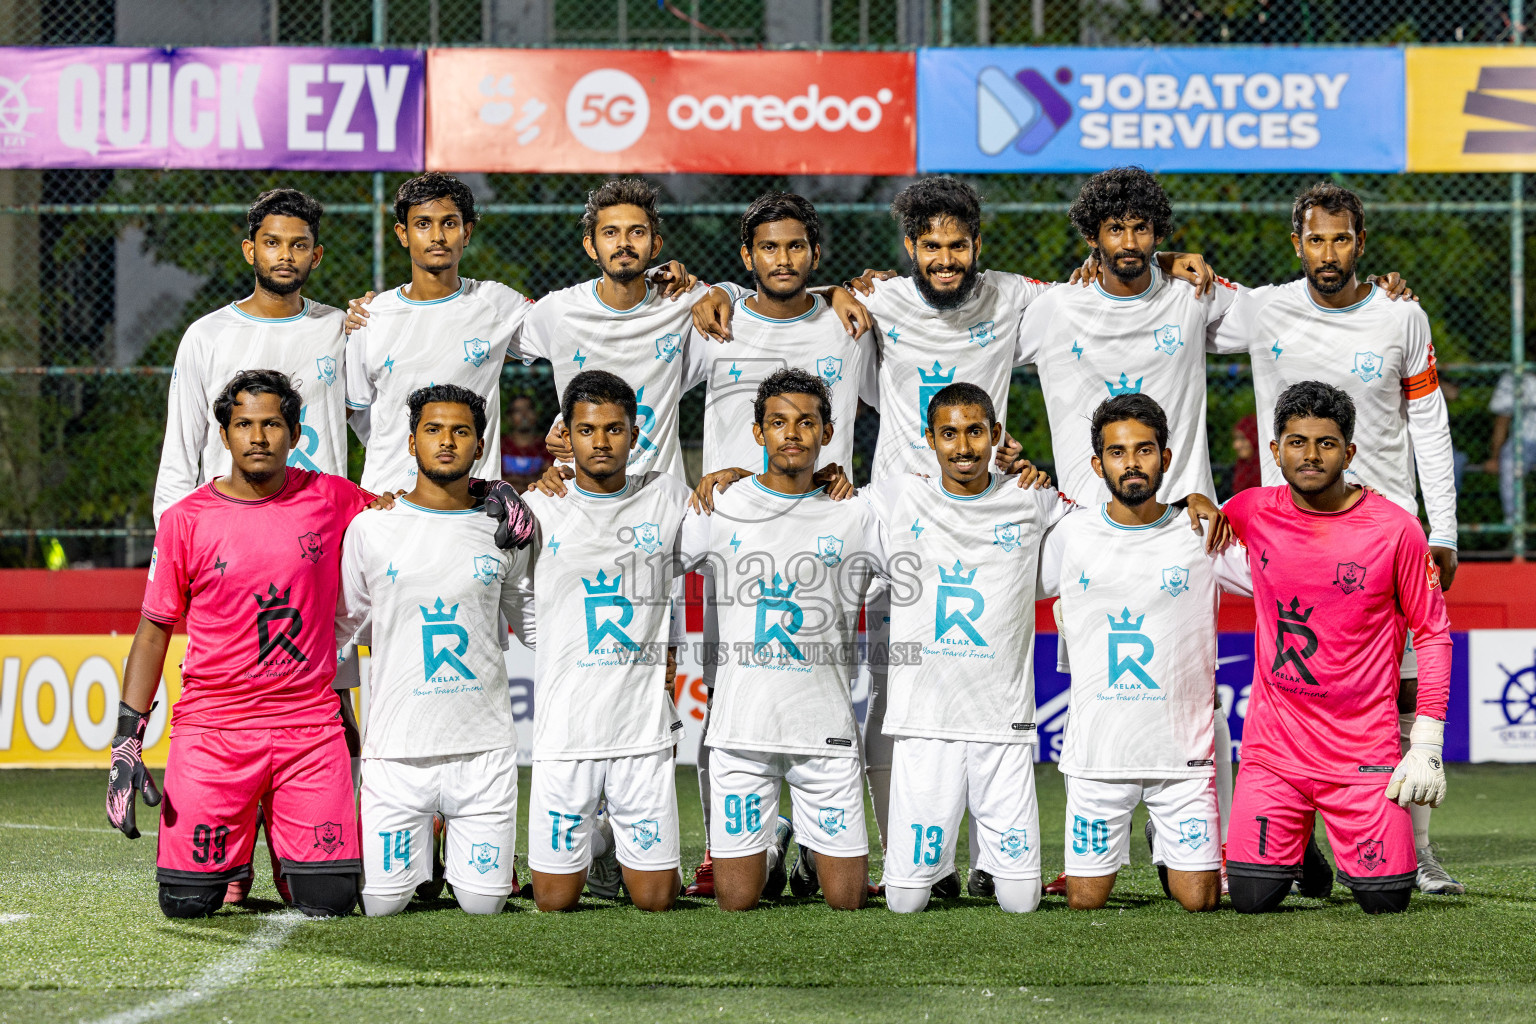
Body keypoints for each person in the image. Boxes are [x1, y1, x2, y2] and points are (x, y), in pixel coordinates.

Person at [691, 176, 1213, 898]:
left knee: (981, 676)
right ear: (909, 249)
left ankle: (999, 856)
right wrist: (718, 286)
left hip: (989, 515)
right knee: (876, 682)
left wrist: (1171, 261)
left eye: (957, 245)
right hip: (889, 520)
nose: (944, 258)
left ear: (976, 246)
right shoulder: (874, 301)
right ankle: (889, 856)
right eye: (930, 246)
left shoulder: (1017, 296)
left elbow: (1099, 292)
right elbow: (793, 293)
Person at [1212, 182, 1461, 894]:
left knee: (1401, 687)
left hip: (1387, 533)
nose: (1329, 253)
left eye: (1342, 239)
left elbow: (1430, 426)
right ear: (1297, 243)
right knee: (1296, 676)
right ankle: (1283, 828)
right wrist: (1178, 264)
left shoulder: (1401, 316)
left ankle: (1418, 847)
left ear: (1361, 241)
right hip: (1290, 538)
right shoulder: (1261, 309)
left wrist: (1441, 527)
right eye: (1315, 239)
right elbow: (1164, 314)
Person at [109, 370, 374, 919]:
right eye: (244, 424)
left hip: (308, 728)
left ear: (295, 433)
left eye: (272, 423)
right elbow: (154, 629)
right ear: (224, 435)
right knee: (187, 903)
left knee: (331, 900)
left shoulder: (332, 498)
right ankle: (239, 821)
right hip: (214, 733)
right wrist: (125, 740)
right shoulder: (185, 521)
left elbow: (408, 513)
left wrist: (484, 490)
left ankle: (271, 824)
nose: (258, 436)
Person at [1222, 381, 1451, 915]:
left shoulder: (1397, 529)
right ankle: (1299, 846)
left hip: (1361, 752)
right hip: (1274, 750)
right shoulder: (1250, 510)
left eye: (1326, 443)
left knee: (1387, 900)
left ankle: (1323, 838)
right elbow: (1174, 542)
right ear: (1275, 450)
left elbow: (1434, 633)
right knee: (1253, 899)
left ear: (1349, 452)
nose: (1310, 454)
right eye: (1296, 442)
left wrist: (1427, 742)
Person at [858, 382, 1068, 914]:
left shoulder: (1033, 497)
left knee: (1022, 901)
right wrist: (735, 476)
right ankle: (940, 865)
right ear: (930, 439)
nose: (963, 447)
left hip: (1002, 721)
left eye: (975, 432)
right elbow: (813, 493)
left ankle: (981, 866)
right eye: (949, 434)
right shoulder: (896, 495)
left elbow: (1104, 524)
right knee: (905, 901)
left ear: (996, 435)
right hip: (926, 720)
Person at [679, 368, 881, 911]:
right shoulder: (720, 505)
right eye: (778, 422)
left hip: (826, 731)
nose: (792, 433)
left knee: (847, 901)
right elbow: (651, 562)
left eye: (806, 422)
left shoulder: (858, 513)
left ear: (828, 432)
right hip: (743, 730)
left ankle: (815, 857)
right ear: (757, 432)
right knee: (737, 900)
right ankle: (773, 845)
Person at [1037, 394, 1247, 912]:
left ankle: (1167, 842)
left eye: (1145, 450)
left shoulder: (1201, 533)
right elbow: (1007, 572)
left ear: (1166, 458)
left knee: (1199, 902)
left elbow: (1272, 570)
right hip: (1097, 756)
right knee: (1085, 902)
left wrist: (1218, 505)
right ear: (1097, 464)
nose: (1131, 463)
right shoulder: (1071, 533)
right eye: (1117, 452)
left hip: (1181, 757)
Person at [335, 384, 534, 917]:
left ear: (480, 444)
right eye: (433, 430)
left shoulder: (504, 529)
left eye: (461, 431)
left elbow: (536, 624)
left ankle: (454, 853)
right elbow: (341, 627)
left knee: (483, 904)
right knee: (381, 905)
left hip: (483, 751)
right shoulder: (372, 528)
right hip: (397, 753)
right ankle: (422, 848)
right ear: (410, 442)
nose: (446, 442)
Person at [513, 370, 693, 912]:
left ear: (634, 435)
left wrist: (671, 647)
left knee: (657, 901)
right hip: (566, 732)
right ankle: (600, 842)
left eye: (615, 430)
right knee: (552, 902)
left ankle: (614, 846)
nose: (602, 442)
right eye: (588, 430)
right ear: (567, 432)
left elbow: (692, 564)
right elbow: (513, 589)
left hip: (641, 731)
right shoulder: (540, 506)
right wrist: (556, 642)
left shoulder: (667, 496)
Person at [152, 189, 348, 525]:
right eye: (272, 243)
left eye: (298, 245)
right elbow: (179, 452)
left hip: (317, 529)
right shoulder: (207, 335)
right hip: (228, 530)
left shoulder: (340, 329)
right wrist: (171, 541)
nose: (285, 255)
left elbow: (380, 426)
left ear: (315, 255)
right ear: (250, 250)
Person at [343, 173, 536, 494]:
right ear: (402, 234)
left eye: (449, 223)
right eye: (423, 224)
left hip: (471, 505)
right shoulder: (371, 316)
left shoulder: (496, 303)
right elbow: (353, 411)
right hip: (387, 501)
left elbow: (569, 330)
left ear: (467, 231)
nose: (437, 235)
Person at [1484, 369, 1536, 525]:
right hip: (1525, 439)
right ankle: (1514, 524)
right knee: (1508, 462)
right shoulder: (1513, 377)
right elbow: (1502, 421)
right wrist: (1495, 457)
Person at [501, 393, 554, 490]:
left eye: (528, 409)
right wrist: (533, 479)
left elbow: (550, 477)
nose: (524, 414)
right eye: (517, 410)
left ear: (536, 414)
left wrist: (512, 480)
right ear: (509, 417)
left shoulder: (546, 446)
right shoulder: (500, 445)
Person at [1230, 414, 1262, 496]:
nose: (1236, 445)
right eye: (1236, 439)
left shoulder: (1268, 471)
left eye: (1242, 439)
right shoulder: (1242, 469)